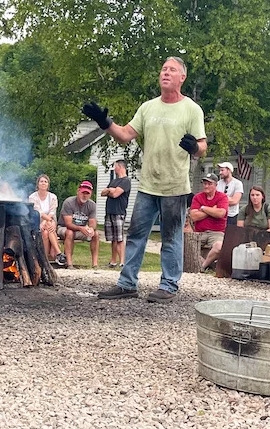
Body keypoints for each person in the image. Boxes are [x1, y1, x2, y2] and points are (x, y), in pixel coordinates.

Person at [85, 57, 206, 302]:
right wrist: (104, 122)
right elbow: (125, 135)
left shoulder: (191, 109)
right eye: (163, 69)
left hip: (174, 186)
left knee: (171, 237)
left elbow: (202, 146)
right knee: (137, 235)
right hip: (148, 185)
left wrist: (195, 147)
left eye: (172, 70)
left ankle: (169, 285)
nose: (166, 73)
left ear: (182, 78)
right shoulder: (148, 107)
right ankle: (127, 283)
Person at [188, 172, 228, 270]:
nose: (206, 186)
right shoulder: (197, 197)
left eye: (209, 184)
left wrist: (203, 208)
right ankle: (209, 265)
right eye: (204, 183)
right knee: (183, 246)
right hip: (199, 232)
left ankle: (203, 266)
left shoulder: (222, 197)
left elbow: (221, 213)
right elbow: (193, 216)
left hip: (217, 232)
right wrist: (211, 209)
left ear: (216, 185)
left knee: (219, 247)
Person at [59, 180, 99, 269]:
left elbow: (93, 223)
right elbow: (68, 224)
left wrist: (91, 229)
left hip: (81, 230)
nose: (84, 195)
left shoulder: (92, 205)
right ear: (78, 191)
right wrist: (81, 228)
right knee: (70, 232)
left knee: (95, 234)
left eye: (87, 193)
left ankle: (95, 264)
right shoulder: (69, 202)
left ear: (90, 194)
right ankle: (69, 263)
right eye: (83, 192)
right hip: (63, 228)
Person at [100, 159, 131, 268]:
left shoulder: (126, 181)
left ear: (120, 167)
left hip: (119, 212)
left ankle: (122, 261)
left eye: (115, 166)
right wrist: (110, 189)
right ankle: (113, 261)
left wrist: (110, 191)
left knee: (119, 238)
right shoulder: (113, 181)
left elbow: (115, 194)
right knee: (112, 238)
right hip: (109, 212)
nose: (114, 168)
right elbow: (102, 193)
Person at [28, 174, 61, 263]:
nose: (43, 183)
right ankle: (58, 253)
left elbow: (52, 212)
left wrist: (46, 221)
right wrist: (44, 222)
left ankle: (45, 259)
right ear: (38, 184)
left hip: (50, 220)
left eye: (45, 182)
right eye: (41, 181)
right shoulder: (32, 197)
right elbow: (38, 212)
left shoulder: (53, 197)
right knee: (46, 231)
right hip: (37, 221)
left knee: (46, 231)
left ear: (48, 185)